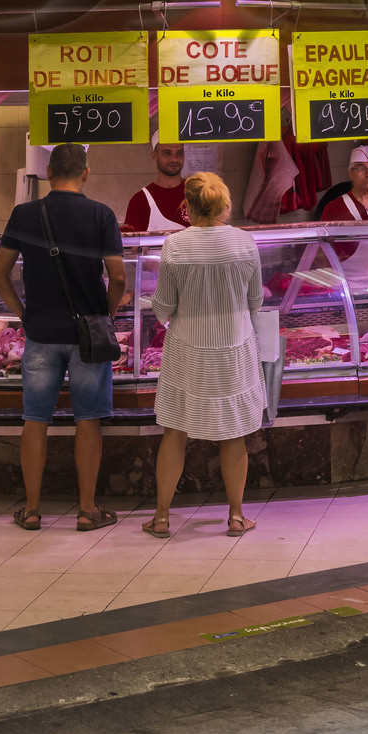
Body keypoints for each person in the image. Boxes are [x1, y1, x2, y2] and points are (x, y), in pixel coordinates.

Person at [0, 143, 126, 532]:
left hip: (41, 333)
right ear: (86, 173)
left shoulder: (25, 213)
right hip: (88, 335)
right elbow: (117, 277)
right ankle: (87, 510)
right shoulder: (101, 214)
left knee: (35, 419)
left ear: (48, 171)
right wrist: (108, 314)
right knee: (88, 420)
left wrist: (23, 313)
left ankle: (32, 510)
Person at [144, 172, 265, 539]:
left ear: (188, 207)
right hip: (234, 348)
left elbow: (163, 306)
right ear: (225, 204)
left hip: (187, 350)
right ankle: (236, 515)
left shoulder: (175, 246)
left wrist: (169, 312)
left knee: (175, 431)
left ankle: (162, 517)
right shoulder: (245, 243)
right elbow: (255, 301)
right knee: (234, 434)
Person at [312, 145, 368, 288]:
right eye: (361, 168)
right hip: (347, 289)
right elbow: (320, 254)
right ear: (350, 173)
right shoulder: (334, 208)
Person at [124, 139, 189, 235]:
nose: (174, 159)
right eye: (167, 153)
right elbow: (132, 245)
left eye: (179, 153)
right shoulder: (139, 201)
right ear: (154, 156)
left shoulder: (198, 193)